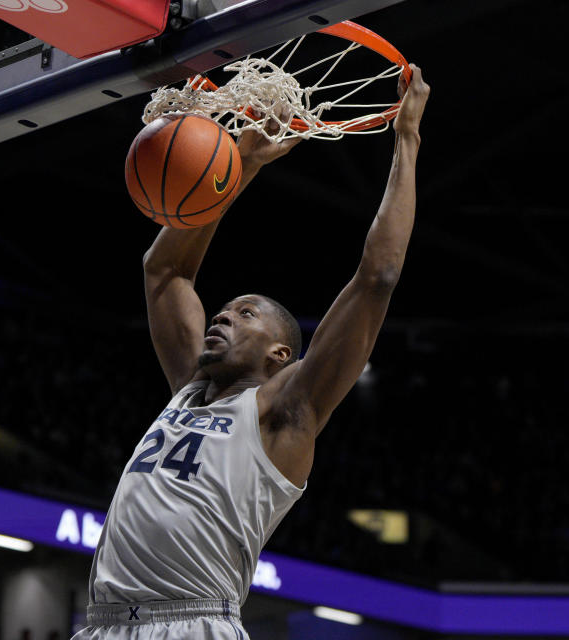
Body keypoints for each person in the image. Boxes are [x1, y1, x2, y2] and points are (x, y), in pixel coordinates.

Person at [75, 65, 430, 639]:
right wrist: (241, 164)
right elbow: (164, 271)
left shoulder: (283, 411)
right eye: (226, 308)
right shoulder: (191, 387)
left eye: (245, 314)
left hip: (194, 623)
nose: (221, 315)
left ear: (280, 354)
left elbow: (378, 276)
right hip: (102, 626)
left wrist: (407, 140)